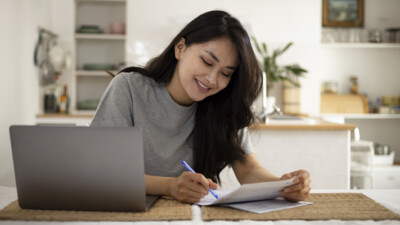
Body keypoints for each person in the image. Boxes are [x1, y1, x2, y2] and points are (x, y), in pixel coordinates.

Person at [91, 10, 311, 203]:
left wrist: (283, 185)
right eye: (207, 62)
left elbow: (249, 170)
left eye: (226, 73)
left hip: (193, 216)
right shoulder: (128, 88)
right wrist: (170, 186)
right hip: (130, 211)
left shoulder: (224, 105)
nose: (212, 80)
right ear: (180, 48)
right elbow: (104, 170)